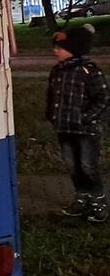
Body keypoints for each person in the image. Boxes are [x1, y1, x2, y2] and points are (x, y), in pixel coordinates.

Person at [46, 24, 108, 223]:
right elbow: (51, 95)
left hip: (85, 130)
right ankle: (82, 196)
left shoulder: (88, 72)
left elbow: (102, 98)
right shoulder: (57, 71)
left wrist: (86, 117)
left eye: (59, 48)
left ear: (74, 49)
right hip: (64, 128)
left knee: (88, 165)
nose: (55, 51)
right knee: (72, 165)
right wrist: (51, 115)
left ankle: (98, 200)